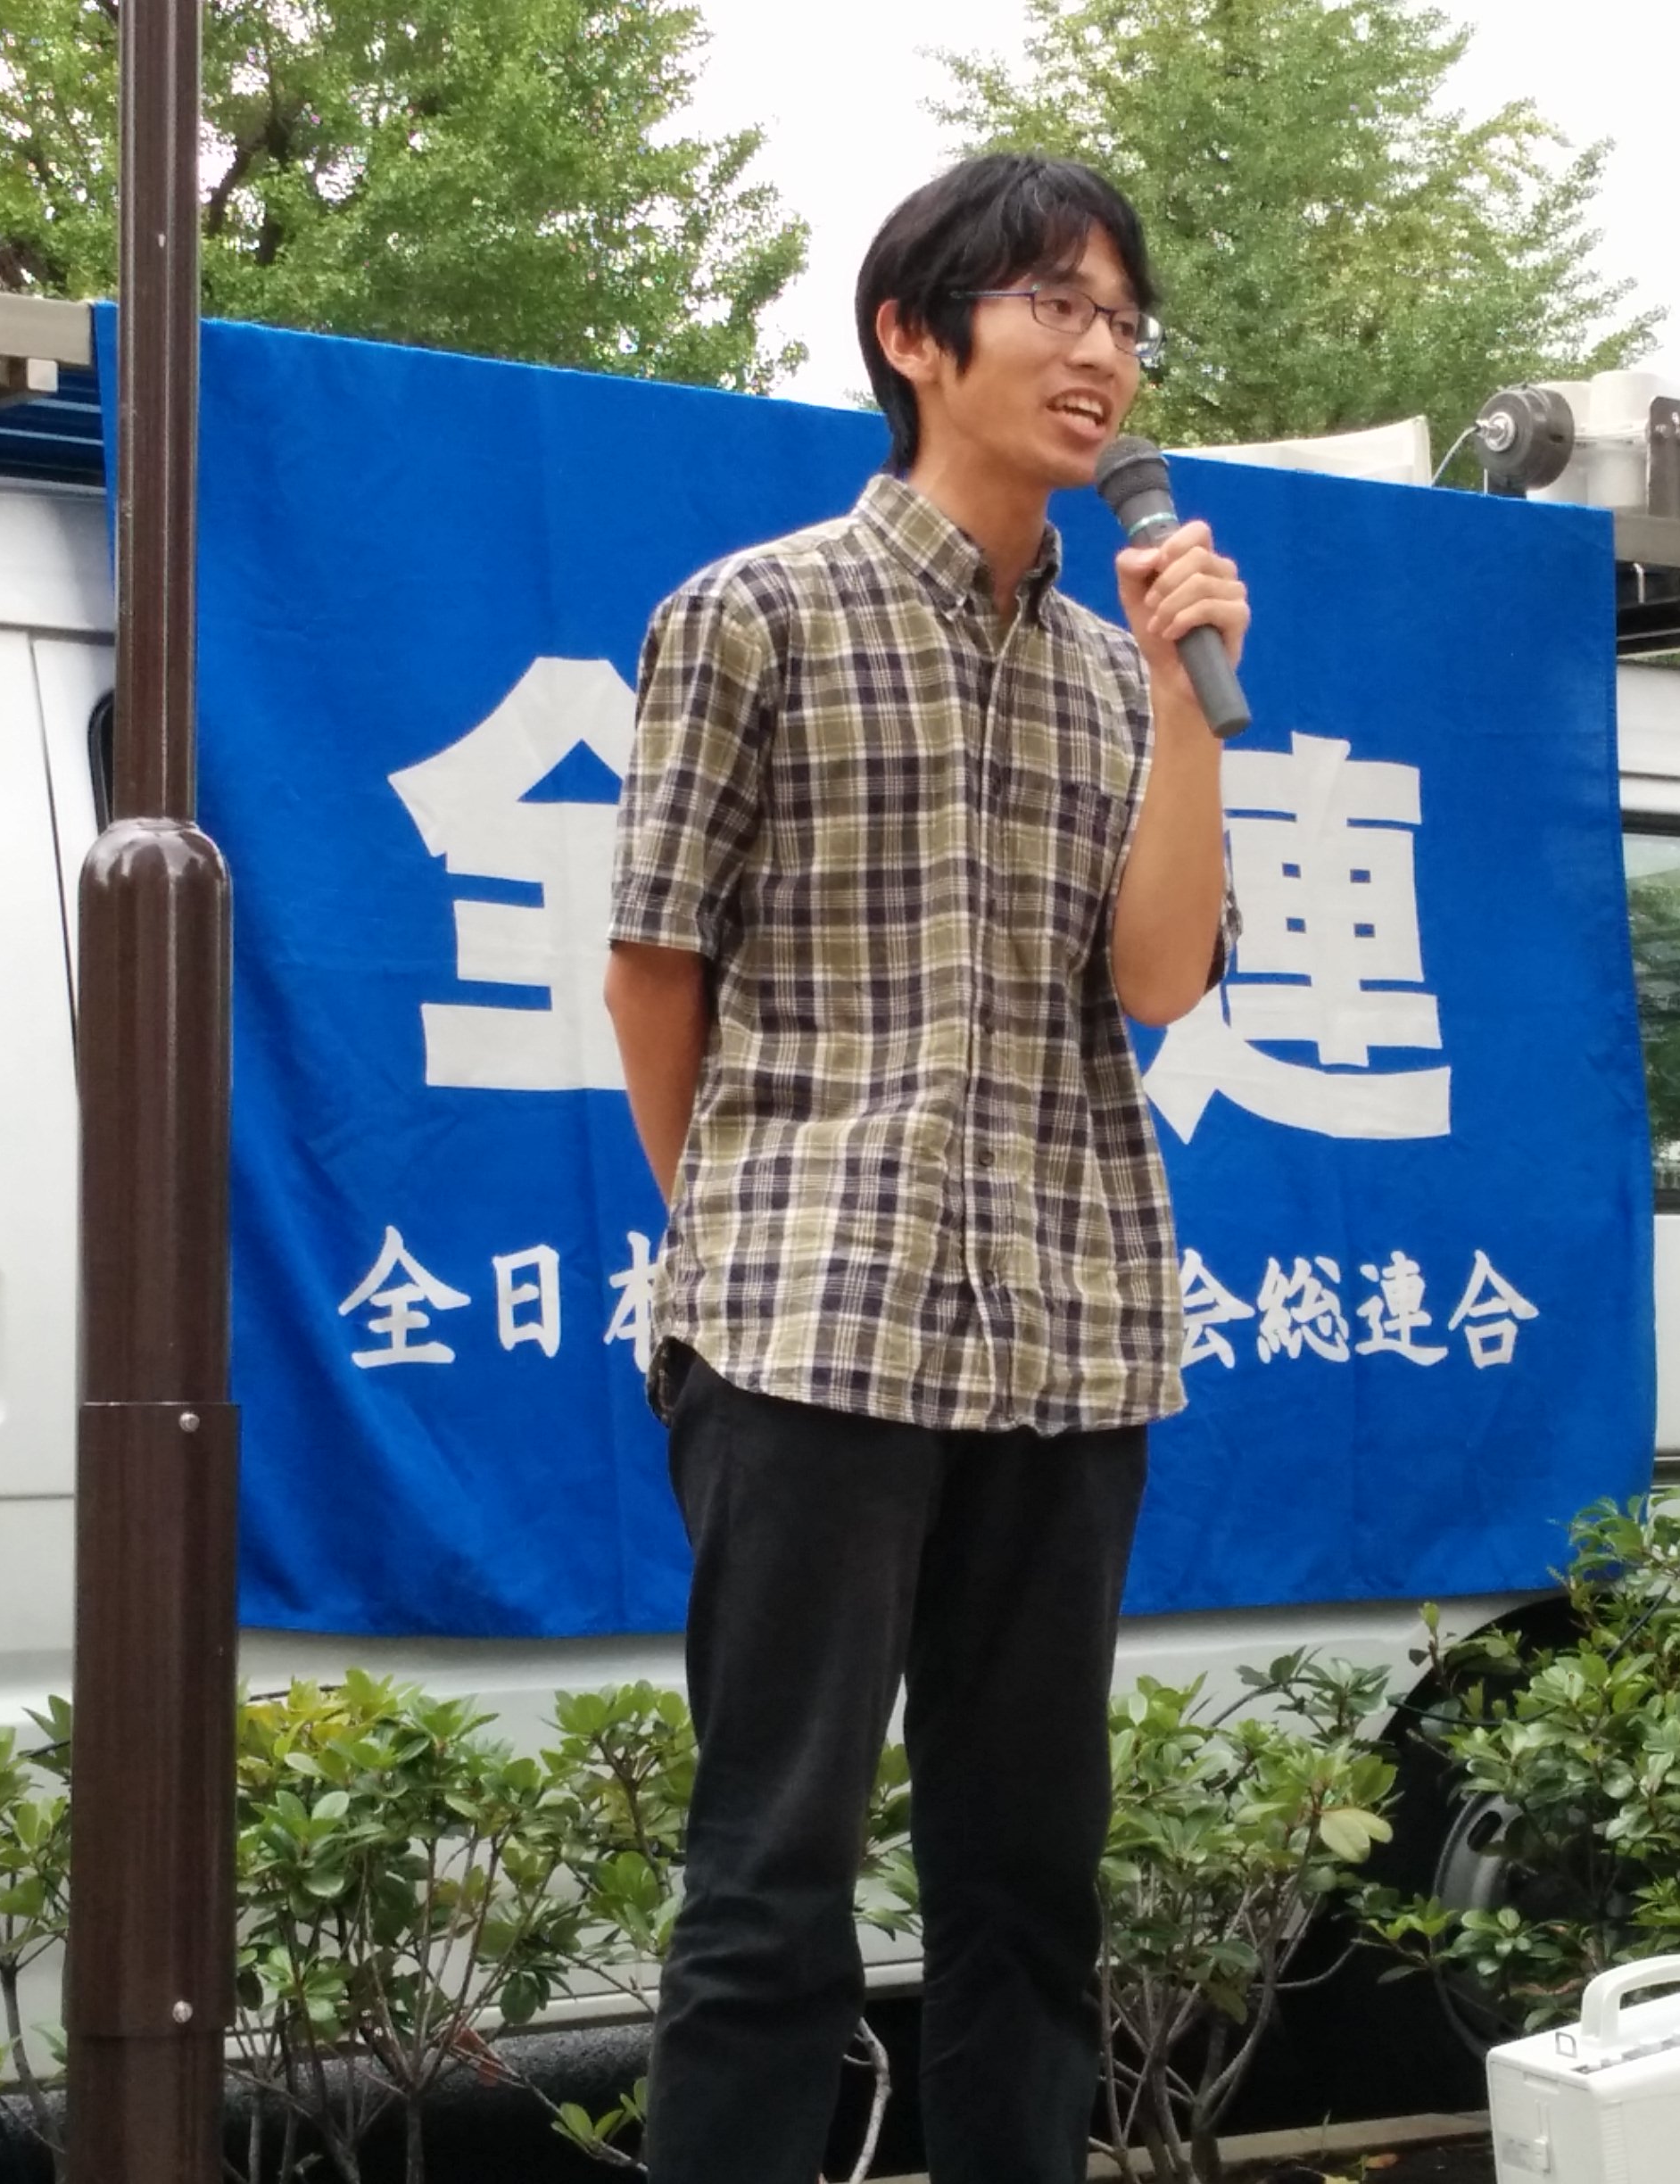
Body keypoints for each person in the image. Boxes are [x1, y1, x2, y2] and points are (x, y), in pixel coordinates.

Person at [604, 151, 1249, 2184]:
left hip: (1071, 1335)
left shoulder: (1117, 669)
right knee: (769, 1888)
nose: (1099, 352)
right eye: (1055, 303)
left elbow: (1160, 983)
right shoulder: (752, 615)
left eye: (1123, 319)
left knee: (1028, 1885)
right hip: (806, 1336)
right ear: (914, 336)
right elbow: (652, 968)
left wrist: (1188, 705)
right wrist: (739, 1230)